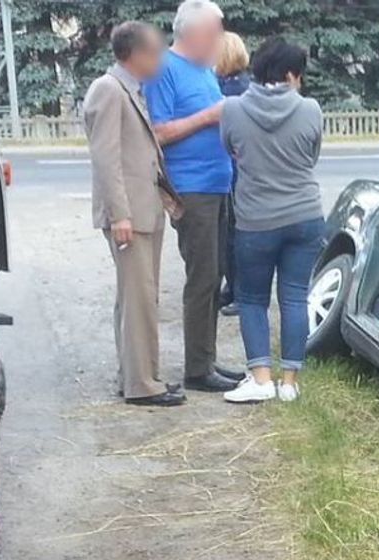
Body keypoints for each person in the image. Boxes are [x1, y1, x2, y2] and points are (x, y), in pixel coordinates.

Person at [83, 21, 186, 407]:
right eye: (156, 51)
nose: (160, 57)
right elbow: (106, 158)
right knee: (138, 298)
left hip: (145, 211)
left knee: (138, 298)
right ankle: (143, 385)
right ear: (136, 54)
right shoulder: (108, 90)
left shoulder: (129, 89)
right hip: (130, 216)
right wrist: (119, 215)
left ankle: (139, 376)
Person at [144, 0, 241, 392]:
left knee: (215, 273)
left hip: (218, 183)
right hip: (191, 188)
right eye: (215, 31)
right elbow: (157, 132)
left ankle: (207, 360)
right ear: (193, 33)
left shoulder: (204, 70)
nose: (219, 38)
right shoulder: (164, 69)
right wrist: (209, 116)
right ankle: (197, 370)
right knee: (202, 277)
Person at [220, 37, 324, 403]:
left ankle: (261, 378)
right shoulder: (311, 109)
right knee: (295, 296)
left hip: (256, 220)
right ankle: (290, 384)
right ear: (292, 74)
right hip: (305, 215)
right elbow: (311, 157)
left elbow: (229, 148)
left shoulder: (232, 109)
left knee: (251, 299)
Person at [215, 31, 251, 318]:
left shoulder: (235, 90)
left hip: (236, 169)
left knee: (236, 231)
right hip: (232, 167)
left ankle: (241, 291)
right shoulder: (231, 85)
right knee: (229, 230)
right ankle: (233, 287)